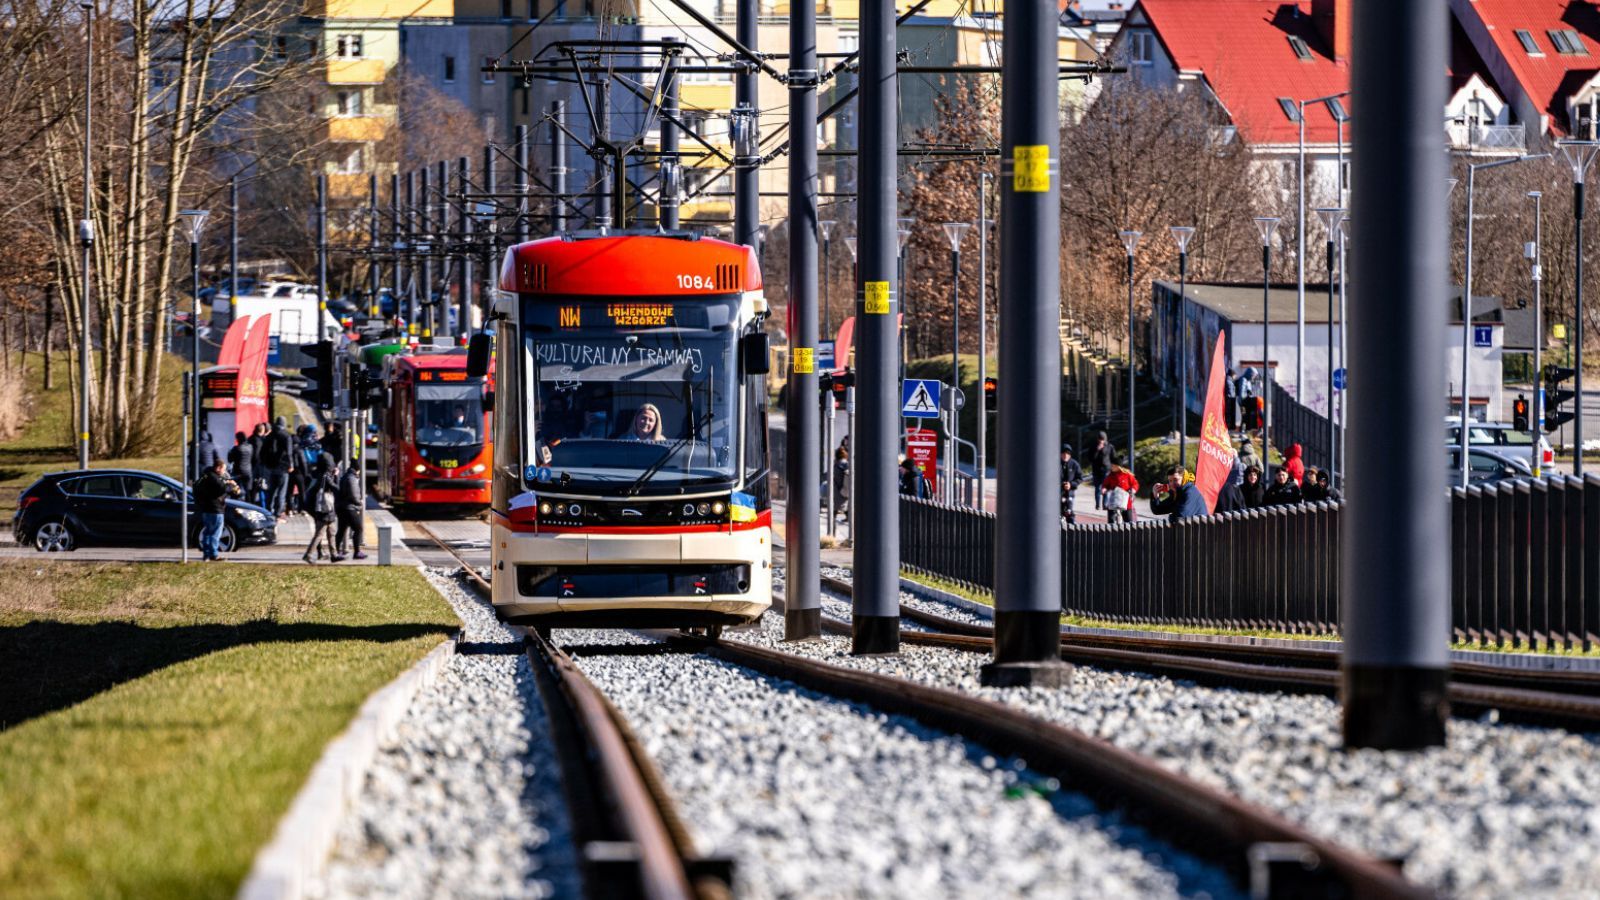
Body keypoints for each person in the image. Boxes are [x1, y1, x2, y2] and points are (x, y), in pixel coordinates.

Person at [193, 458, 238, 561]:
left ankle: (206, 554)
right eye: (223, 469)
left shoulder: (206, 476)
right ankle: (213, 554)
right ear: (218, 468)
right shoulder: (214, 477)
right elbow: (223, 488)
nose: (224, 472)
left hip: (206, 509)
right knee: (215, 533)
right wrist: (231, 485)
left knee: (207, 532)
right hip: (215, 509)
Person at [302, 457, 343, 564]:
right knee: (320, 533)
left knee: (331, 532)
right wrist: (337, 476)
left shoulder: (321, 475)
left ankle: (334, 555)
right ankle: (309, 554)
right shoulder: (326, 477)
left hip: (324, 509)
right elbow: (336, 489)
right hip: (325, 510)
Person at [260, 416, 295, 519]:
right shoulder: (286, 436)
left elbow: (262, 452)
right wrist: (291, 464)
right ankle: (278, 512)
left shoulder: (269, 436)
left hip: (270, 467)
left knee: (271, 490)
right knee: (282, 491)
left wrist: (265, 464)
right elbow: (289, 453)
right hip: (283, 467)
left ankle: (268, 510)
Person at [335, 461, 367, 559]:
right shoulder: (352, 478)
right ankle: (357, 552)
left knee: (341, 530)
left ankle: (336, 551)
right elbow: (354, 494)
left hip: (342, 507)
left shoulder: (346, 476)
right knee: (358, 528)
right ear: (358, 469)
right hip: (349, 508)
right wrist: (359, 502)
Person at [1100, 456, 1139, 524]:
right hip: (1113, 500)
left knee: (1128, 520)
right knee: (1111, 520)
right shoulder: (1110, 476)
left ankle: (1128, 533)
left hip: (1126, 501)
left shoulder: (1128, 475)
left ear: (1118, 466)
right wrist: (1104, 489)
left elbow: (1135, 484)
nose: (1111, 467)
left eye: (1113, 466)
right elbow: (1105, 484)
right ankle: (1112, 532)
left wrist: (1133, 490)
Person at [1084, 431, 1115, 510]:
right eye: (1100, 439)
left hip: (1106, 470)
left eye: (1103, 439)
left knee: (1105, 487)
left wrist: (1113, 467)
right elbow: (1090, 458)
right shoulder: (1093, 446)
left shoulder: (1109, 446)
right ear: (1098, 439)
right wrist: (1097, 450)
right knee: (1097, 488)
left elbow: (1113, 457)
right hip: (1096, 470)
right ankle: (1098, 504)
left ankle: (1105, 504)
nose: (1101, 441)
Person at [1059, 443, 1083, 525]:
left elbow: (1080, 478)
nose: (1065, 455)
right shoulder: (1055, 463)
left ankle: (1072, 526)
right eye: (1063, 453)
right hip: (1058, 493)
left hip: (1070, 492)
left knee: (1069, 510)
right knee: (1058, 510)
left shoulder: (1074, 464)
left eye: (1068, 453)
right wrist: (1062, 484)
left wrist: (1071, 484)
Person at [228, 431, 254, 496]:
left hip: (238, 471)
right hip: (248, 471)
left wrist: (229, 453)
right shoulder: (250, 447)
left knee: (236, 490)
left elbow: (230, 460)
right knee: (247, 491)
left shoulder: (237, 448)